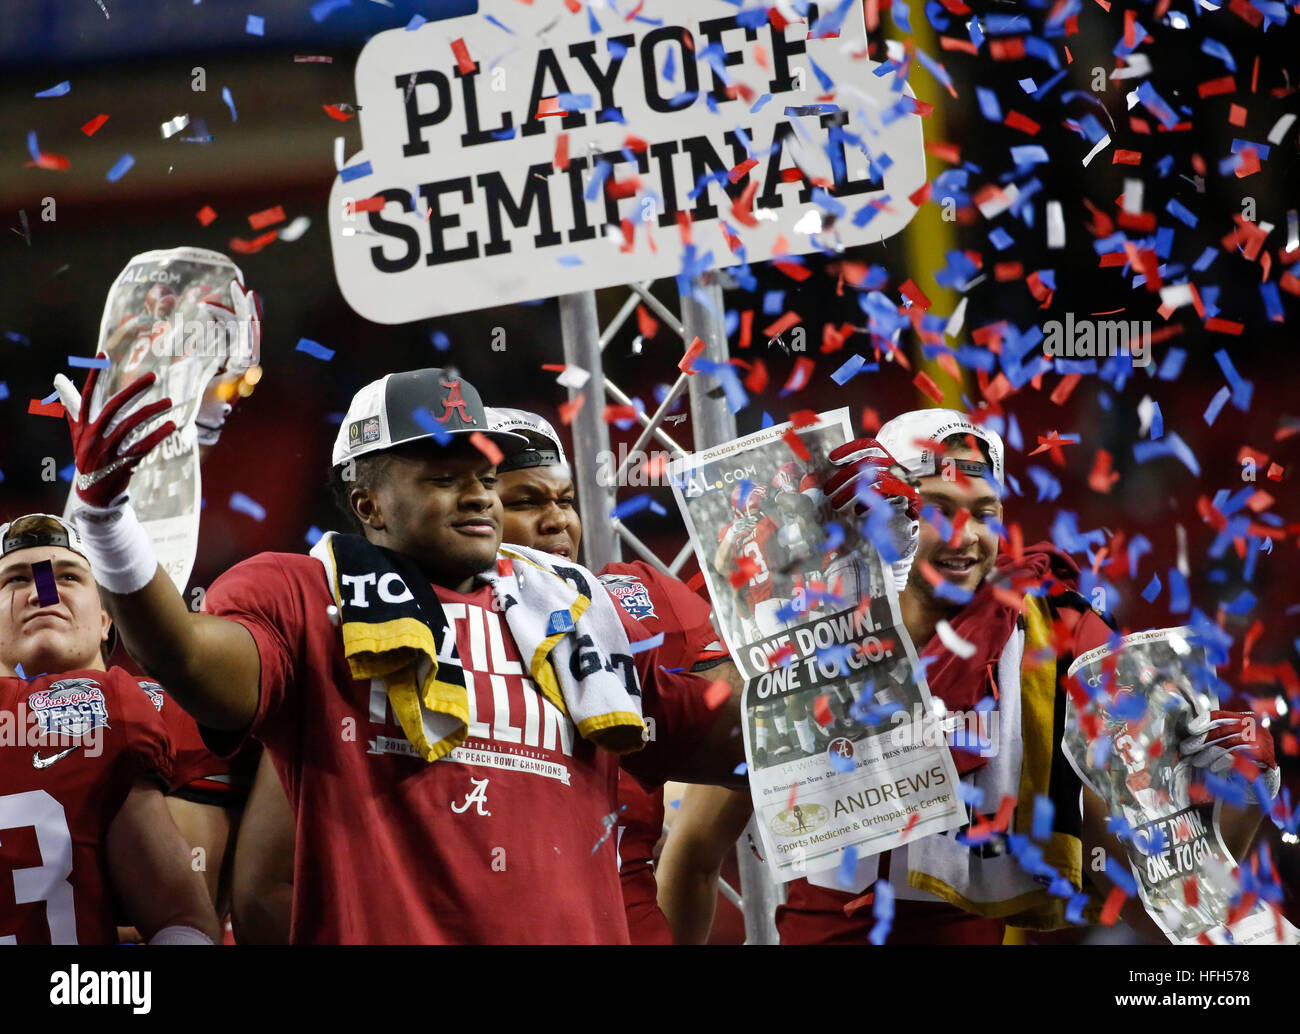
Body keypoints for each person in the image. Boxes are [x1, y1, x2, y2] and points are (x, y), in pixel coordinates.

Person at [56, 364, 743, 943]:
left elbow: (736, 741)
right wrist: (109, 524)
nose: (477, 492)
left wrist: (828, 600)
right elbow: (194, 665)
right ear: (370, 503)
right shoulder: (306, 595)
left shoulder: (580, 610)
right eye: (444, 475)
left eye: (483, 473)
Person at [658, 407, 1278, 944]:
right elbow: (692, 858)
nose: (968, 535)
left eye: (985, 512)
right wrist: (871, 574)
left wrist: (1242, 801)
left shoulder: (1045, 647)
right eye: (938, 510)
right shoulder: (808, 634)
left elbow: (1150, 885)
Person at [229, 405, 745, 945]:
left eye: (566, 500)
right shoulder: (370, 636)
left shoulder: (623, 616)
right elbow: (268, 886)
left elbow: (747, 756)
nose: (557, 521)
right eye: (523, 500)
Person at [0, 513, 221, 944]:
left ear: (106, 618)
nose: (43, 595)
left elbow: (189, 903)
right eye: (15, 581)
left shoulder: (167, 704)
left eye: (67, 576)